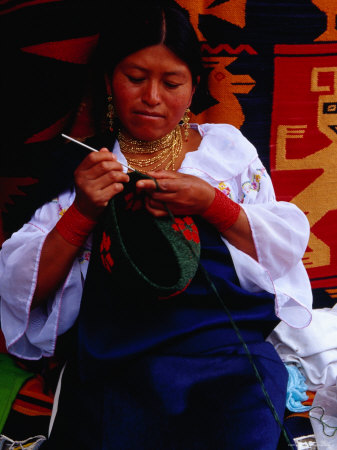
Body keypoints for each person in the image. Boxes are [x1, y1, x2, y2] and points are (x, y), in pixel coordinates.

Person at [0, 0, 312, 448]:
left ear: (193, 87)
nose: (152, 97)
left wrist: (211, 204)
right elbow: (21, 289)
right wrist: (85, 210)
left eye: (172, 82)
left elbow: (282, 250)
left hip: (228, 357)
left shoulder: (226, 153)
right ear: (109, 79)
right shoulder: (85, 166)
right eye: (135, 78)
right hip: (122, 358)